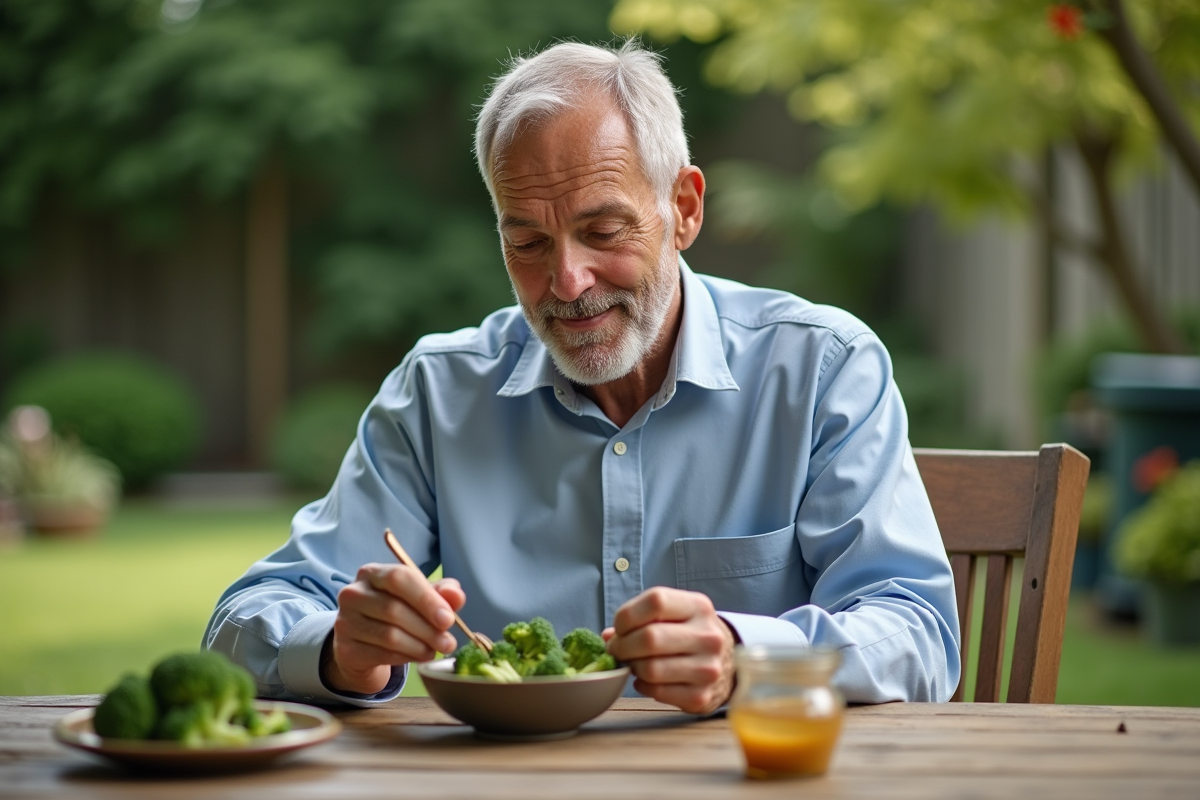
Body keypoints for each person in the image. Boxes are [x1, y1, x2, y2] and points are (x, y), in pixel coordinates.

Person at [205, 40, 961, 714]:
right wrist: (342, 648)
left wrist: (747, 653)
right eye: (528, 242)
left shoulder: (822, 369)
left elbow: (917, 629)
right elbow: (242, 621)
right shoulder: (440, 394)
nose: (566, 282)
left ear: (685, 209)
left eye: (602, 232)